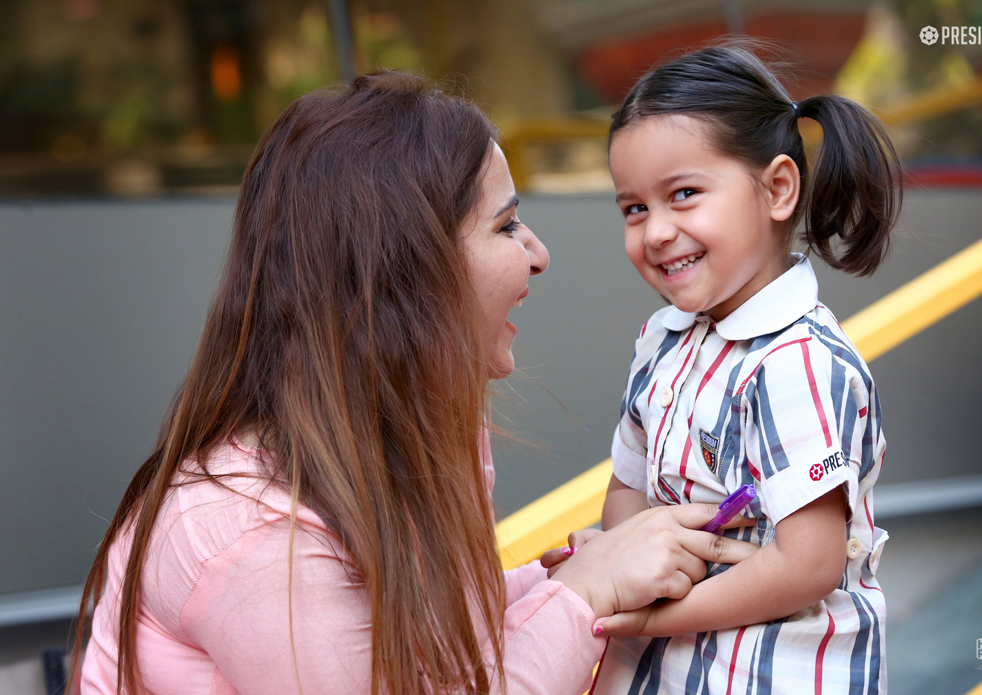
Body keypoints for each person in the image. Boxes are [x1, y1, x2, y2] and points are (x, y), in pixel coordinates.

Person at [71, 72, 760, 695]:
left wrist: (555, 581)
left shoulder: (410, 432)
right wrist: (586, 589)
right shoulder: (252, 536)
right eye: (507, 224)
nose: (539, 254)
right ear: (405, 269)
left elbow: (431, 651)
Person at [566, 42, 902, 694]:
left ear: (777, 188)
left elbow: (808, 564)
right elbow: (628, 487)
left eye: (683, 194)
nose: (655, 230)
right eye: (633, 207)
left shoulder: (795, 360)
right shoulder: (661, 342)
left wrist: (651, 612)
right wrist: (613, 556)